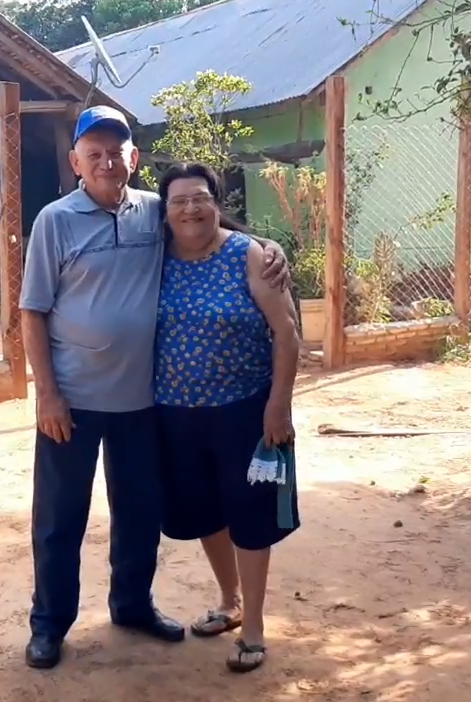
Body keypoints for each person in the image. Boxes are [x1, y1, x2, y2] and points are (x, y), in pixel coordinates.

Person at [19, 106, 289, 670]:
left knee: (139, 512)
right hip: (71, 400)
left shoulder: (152, 213)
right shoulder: (54, 220)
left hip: (143, 400)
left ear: (133, 159)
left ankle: (132, 605)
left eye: (116, 152)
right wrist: (46, 393)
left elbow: (207, 230)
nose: (106, 163)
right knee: (59, 518)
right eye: (93, 154)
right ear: (75, 162)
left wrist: (268, 247)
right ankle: (49, 626)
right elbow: (32, 312)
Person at [153, 162, 301, 674]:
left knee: (251, 513)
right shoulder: (154, 259)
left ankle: (255, 626)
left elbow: (287, 333)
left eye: (200, 198)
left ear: (217, 202)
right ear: (165, 211)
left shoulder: (252, 256)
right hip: (175, 413)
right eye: (178, 201)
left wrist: (277, 405)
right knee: (203, 511)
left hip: (246, 412)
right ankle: (229, 600)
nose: (190, 208)